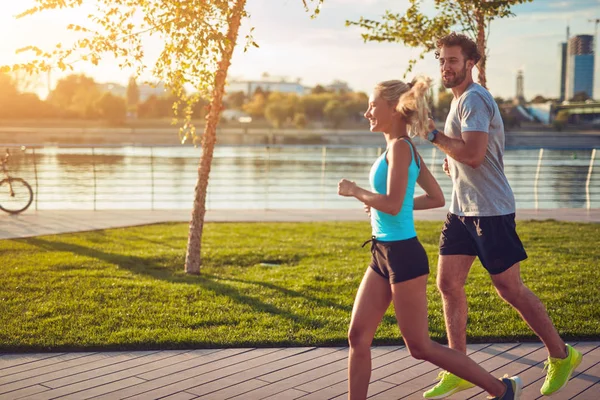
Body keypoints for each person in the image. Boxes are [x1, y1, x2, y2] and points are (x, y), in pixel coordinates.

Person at [421, 32, 582, 399]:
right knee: (448, 285)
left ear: (471, 63)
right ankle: (459, 367)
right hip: (462, 210)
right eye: (442, 60)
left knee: (509, 288)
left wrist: (431, 134)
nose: (446, 66)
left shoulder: (474, 100)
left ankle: (562, 355)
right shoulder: (458, 100)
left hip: (490, 211)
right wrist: (451, 158)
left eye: (453, 60)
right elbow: (467, 153)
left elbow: (475, 155)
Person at [338, 76, 521, 400]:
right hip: (381, 252)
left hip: (403, 255)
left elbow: (394, 204)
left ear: (393, 109)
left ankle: (502, 390)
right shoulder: (400, 149)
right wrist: (377, 205)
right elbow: (435, 197)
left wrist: (358, 193)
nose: (367, 112)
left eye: (372, 105)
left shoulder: (401, 148)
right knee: (358, 336)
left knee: (419, 346)